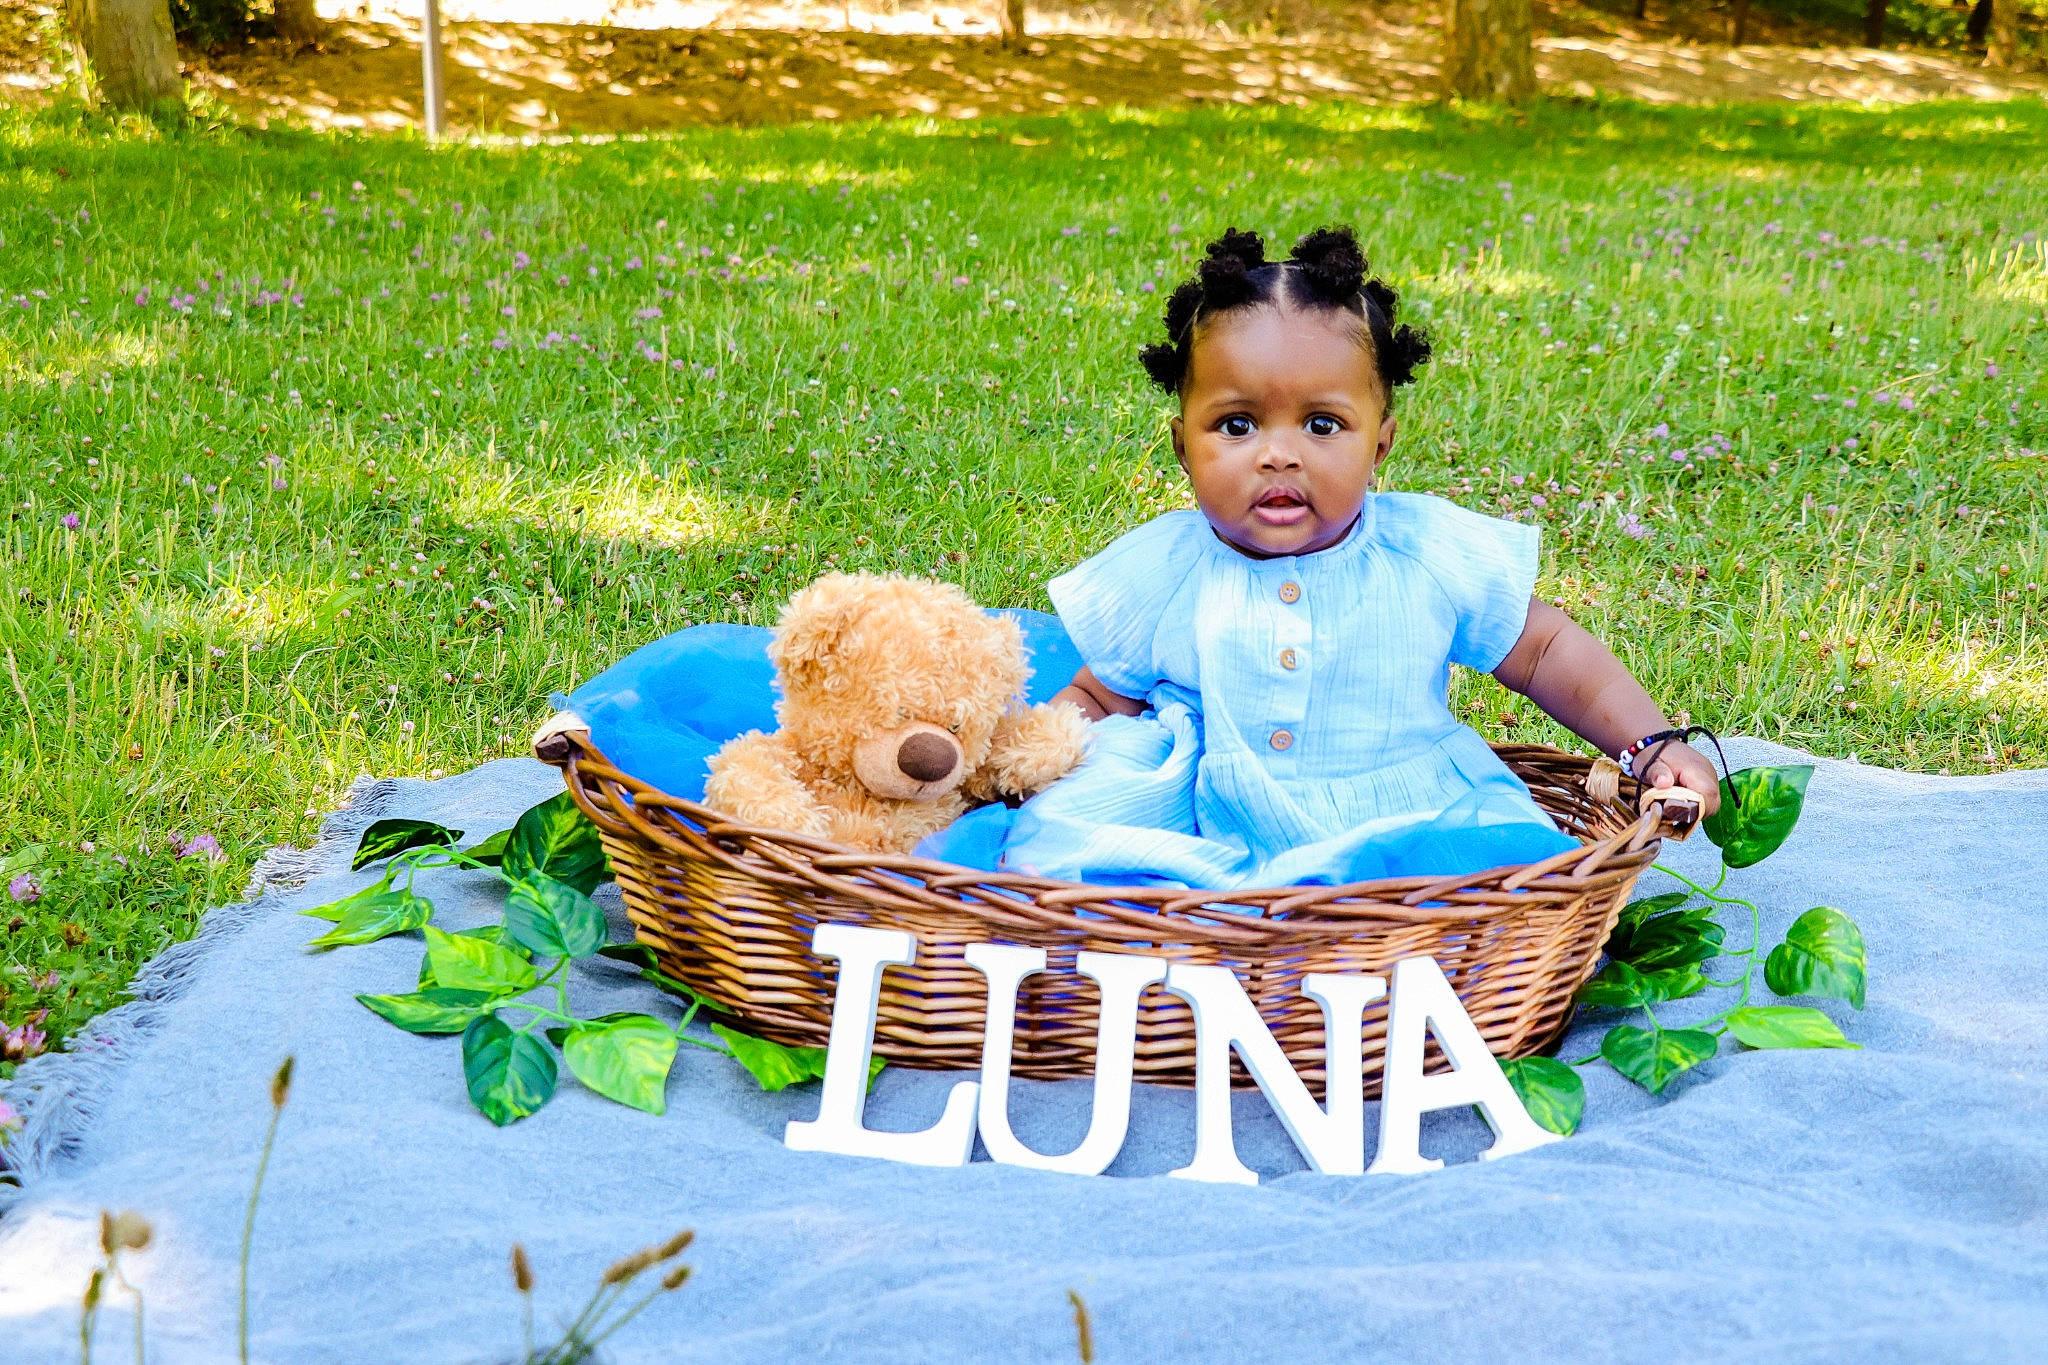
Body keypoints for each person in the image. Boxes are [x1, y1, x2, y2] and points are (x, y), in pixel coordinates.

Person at [990, 225, 1723, 890]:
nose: (1279, 453)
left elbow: (1544, 649)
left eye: (1322, 424)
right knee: (1061, 833)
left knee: (1500, 861)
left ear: (1379, 445)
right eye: (1237, 423)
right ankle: (1150, 928)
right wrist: (1026, 761)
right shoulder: (1166, 564)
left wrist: (1650, 743)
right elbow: (1099, 695)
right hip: (1200, 807)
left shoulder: (1423, 551)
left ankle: (1406, 934)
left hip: (1400, 802)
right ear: (1184, 446)